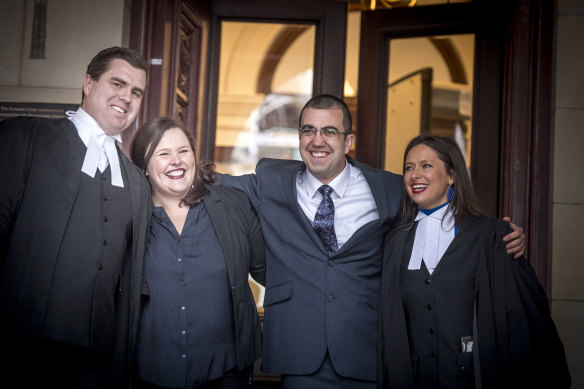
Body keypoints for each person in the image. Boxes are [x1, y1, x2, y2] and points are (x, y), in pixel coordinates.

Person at [218, 94, 525, 389]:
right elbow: (214, 185)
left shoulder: (391, 188)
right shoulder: (272, 180)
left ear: (348, 141)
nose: (317, 140)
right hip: (300, 354)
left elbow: (440, 209)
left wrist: (499, 236)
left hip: (369, 352)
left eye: (329, 131)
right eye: (308, 130)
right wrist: (173, 173)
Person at [0, 46, 151, 388]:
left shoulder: (138, 183)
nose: (126, 97)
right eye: (117, 83)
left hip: (97, 362)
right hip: (22, 351)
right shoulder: (27, 139)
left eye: (136, 92)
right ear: (88, 83)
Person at [378, 135, 570, 389]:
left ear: (452, 176)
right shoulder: (393, 243)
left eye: (426, 166)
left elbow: (524, 323)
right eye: (409, 168)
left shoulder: (493, 237)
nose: (415, 175)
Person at [129, 117, 266, 389]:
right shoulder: (128, 216)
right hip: (151, 373)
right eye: (163, 153)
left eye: (183, 151)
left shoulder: (232, 205)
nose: (176, 161)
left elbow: (268, 271)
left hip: (226, 371)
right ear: (144, 167)